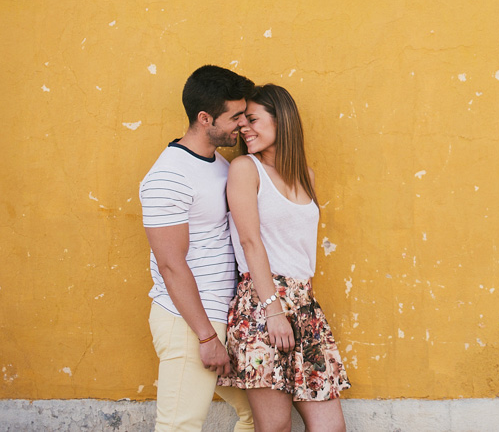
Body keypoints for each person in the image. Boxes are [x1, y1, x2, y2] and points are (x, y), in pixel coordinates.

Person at [218, 84, 350, 432]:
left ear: (283, 121)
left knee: (330, 427)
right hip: (263, 304)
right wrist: (273, 310)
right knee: (275, 428)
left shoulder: (307, 176)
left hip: (305, 306)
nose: (244, 127)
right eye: (241, 121)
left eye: (253, 119)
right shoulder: (246, 169)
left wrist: (300, 309)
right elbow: (250, 241)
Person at [140, 65, 256, 431]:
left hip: (220, 316)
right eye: (235, 116)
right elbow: (172, 266)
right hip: (189, 322)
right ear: (205, 118)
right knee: (179, 426)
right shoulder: (168, 176)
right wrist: (206, 336)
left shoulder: (218, 164)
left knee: (259, 414)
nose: (242, 123)